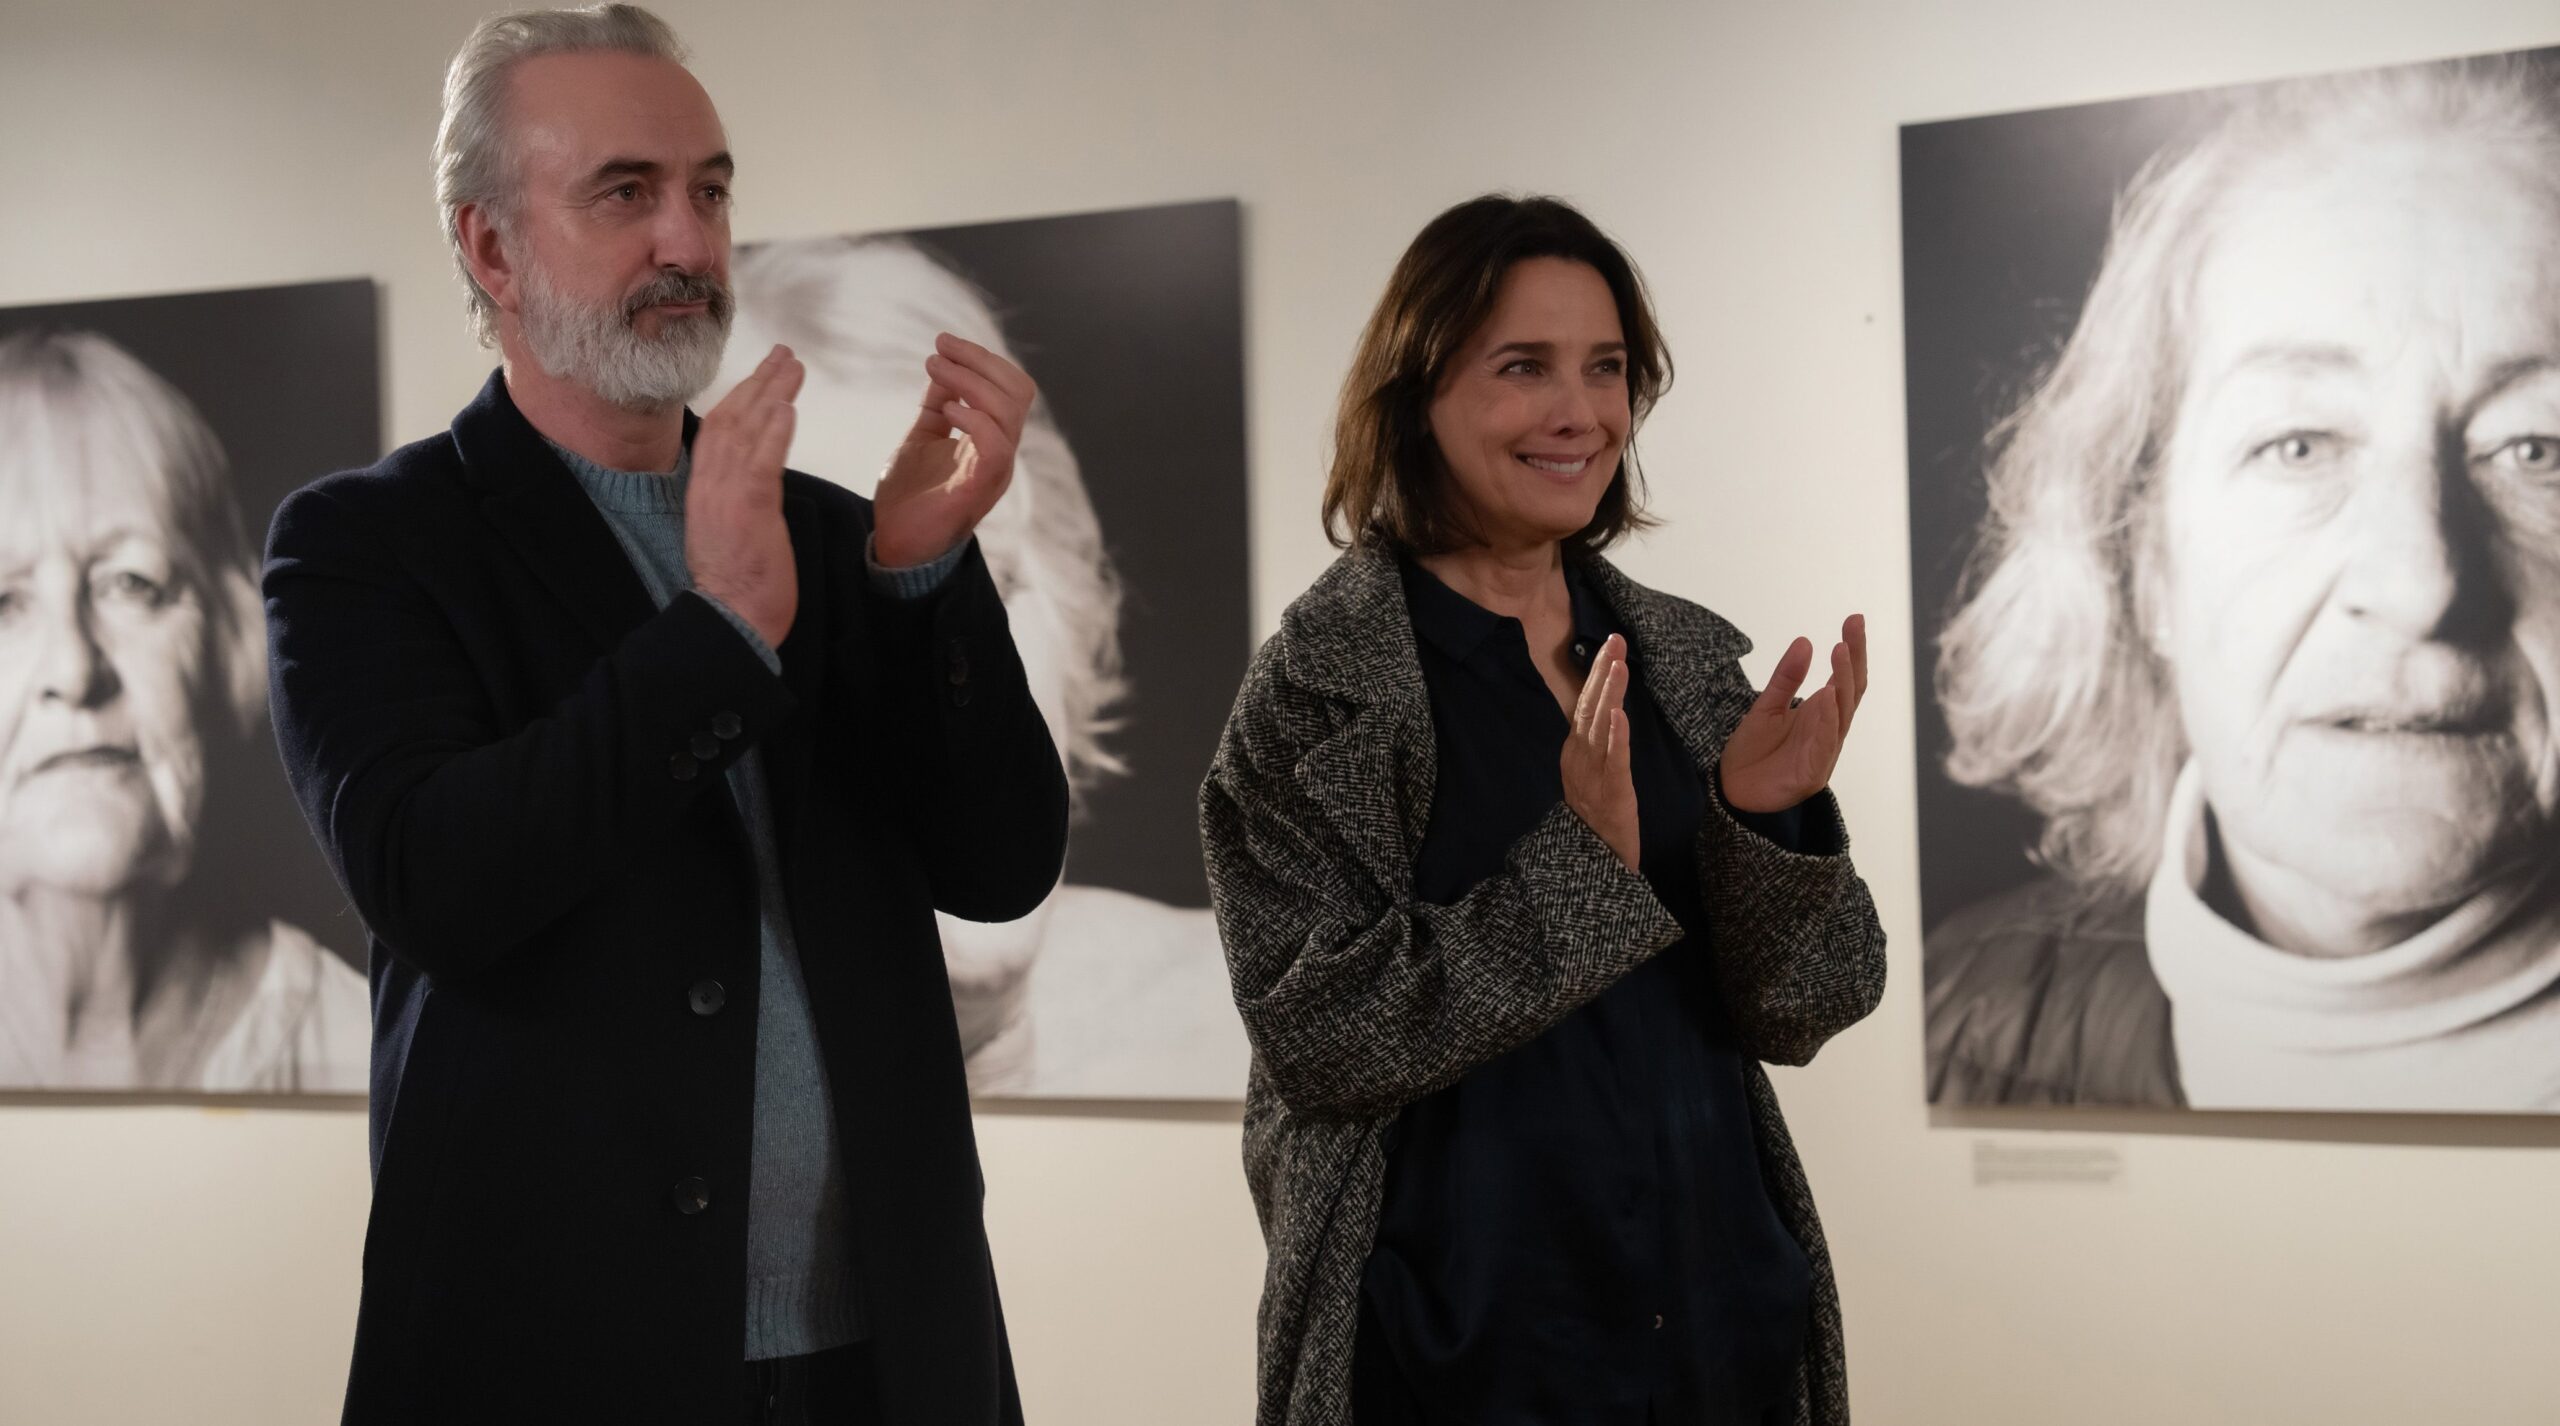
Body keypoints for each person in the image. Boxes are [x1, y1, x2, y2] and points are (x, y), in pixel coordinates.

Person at [261, 7, 1067, 1422]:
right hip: (558, 1362)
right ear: (491, 248)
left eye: (710, 190)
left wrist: (921, 577)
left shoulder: (837, 536)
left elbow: (1001, 864)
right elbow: (439, 881)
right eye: (626, 193)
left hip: (888, 1357)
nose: (688, 243)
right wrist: (717, 634)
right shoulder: (365, 545)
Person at [1200, 195, 1886, 1426]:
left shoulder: (1681, 662)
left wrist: (1764, 825)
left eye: (1605, 368)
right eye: (1523, 367)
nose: (1579, 412)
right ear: (1416, 393)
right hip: (1461, 1363)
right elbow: (1320, 1036)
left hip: (1721, 1335)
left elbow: (1809, 1005)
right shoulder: (1316, 692)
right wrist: (1577, 876)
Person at [1925, 57, 2560, 1112]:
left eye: (2535, 448)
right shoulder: (1948, 1019)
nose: (2422, 582)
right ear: (2145, 564)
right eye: (2299, 444)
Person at [719, 236, 1243, 1098]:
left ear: (1066, 603)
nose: (913, 671)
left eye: (976, 574)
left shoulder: (1230, 1014)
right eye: (820, 605)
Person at [0, 328, 364, 1092]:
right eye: (4, 603)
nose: (74, 670)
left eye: (130, 583)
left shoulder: (359, 1041)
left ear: (231, 641)